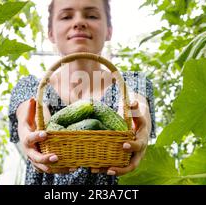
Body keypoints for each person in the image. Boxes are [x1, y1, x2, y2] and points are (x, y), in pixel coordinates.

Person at [8, 0, 156, 185]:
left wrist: (135, 126)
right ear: (51, 33)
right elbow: (30, 119)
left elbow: (137, 104)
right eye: (66, 16)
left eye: (91, 15)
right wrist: (34, 132)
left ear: (109, 30)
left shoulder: (132, 82)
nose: (79, 22)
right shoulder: (31, 86)